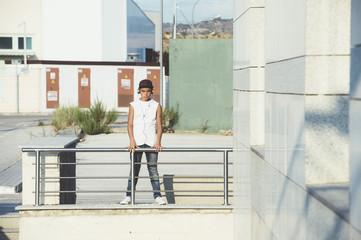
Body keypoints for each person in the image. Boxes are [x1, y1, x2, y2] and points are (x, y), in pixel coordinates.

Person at [120, 79, 166, 205]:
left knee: (153, 169)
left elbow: (159, 125)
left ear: (152, 92)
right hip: (137, 142)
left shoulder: (156, 105)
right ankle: (128, 196)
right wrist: (131, 141)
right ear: (139, 91)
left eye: (148, 91)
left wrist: (158, 142)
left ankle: (157, 196)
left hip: (151, 142)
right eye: (143, 91)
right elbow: (129, 124)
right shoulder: (133, 105)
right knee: (134, 170)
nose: (145, 94)